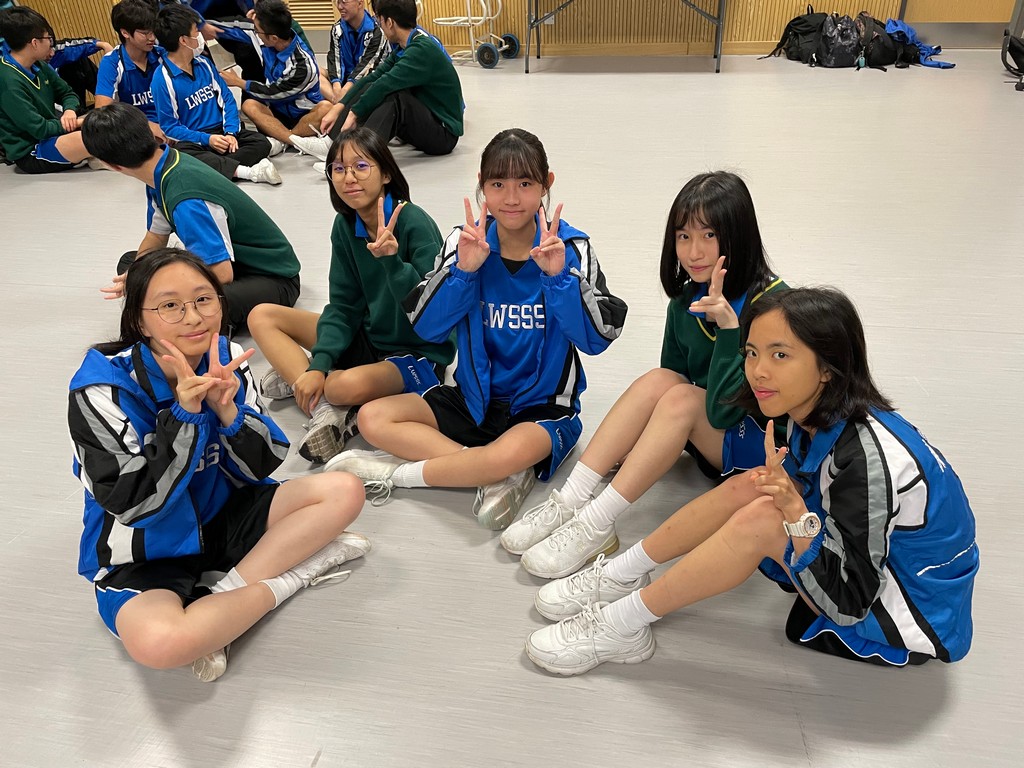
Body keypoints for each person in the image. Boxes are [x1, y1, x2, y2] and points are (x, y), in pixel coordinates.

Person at [525, 287, 979, 675]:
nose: (759, 370)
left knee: (764, 518)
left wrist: (795, 514)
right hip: (874, 565)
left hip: (911, 607)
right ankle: (622, 574)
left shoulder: (865, 462)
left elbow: (849, 600)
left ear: (828, 366)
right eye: (752, 353)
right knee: (756, 483)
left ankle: (621, 625)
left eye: (780, 355)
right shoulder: (820, 413)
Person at [69, 248, 371, 682]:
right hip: (145, 547)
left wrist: (228, 412)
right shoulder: (100, 390)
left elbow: (262, 466)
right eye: (170, 306)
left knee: (344, 488)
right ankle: (298, 573)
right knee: (160, 644)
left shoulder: (226, 359)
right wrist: (185, 416)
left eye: (203, 299)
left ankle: (221, 600)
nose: (193, 317)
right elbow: (134, 506)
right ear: (138, 320)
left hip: (223, 513)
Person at [326, 128, 627, 530]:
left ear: (546, 184)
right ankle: (489, 474)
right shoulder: (464, 242)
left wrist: (559, 279)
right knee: (373, 417)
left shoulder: (570, 248)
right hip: (472, 400)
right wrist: (464, 272)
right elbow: (429, 328)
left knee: (507, 453)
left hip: (543, 408)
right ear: (482, 185)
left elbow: (596, 339)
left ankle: (399, 474)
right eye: (498, 184)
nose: (511, 198)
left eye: (525, 184)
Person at [507, 172, 788, 579]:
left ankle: (596, 524)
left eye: (709, 236)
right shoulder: (687, 298)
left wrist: (730, 330)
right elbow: (672, 378)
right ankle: (569, 501)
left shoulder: (776, 307)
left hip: (765, 451)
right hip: (714, 437)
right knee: (662, 381)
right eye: (683, 236)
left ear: (738, 237)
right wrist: (638, 444)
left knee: (682, 399)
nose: (693, 252)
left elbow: (723, 412)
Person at [249, 126, 455, 464]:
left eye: (361, 166)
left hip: (417, 351)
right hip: (369, 337)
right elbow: (344, 306)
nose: (349, 178)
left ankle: (321, 391)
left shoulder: (413, 222)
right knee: (262, 316)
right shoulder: (345, 225)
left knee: (340, 387)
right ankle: (324, 403)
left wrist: (392, 262)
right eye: (338, 169)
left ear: (386, 173)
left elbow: (433, 308)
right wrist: (319, 364)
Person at [82, 102, 301, 334]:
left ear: (112, 166)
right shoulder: (163, 167)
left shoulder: (185, 198)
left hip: (273, 279)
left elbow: (222, 273)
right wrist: (137, 275)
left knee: (196, 304)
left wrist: (156, 286)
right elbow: (155, 237)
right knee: (132, 263)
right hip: (238, 264)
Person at [292, 0, 463, 161]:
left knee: (395, 97)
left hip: (443, 134)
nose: (379, 24)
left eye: (379, 20)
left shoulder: (421, 49)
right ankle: (332, 143)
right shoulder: (406, 45)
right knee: (373, 84)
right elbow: (374, 77)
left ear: (389, 22)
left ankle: (358, 157)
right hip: (426, 119)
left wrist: (354, 113)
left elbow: (385, 84)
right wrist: (339, 107)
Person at [150, 3, 279, 184]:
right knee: (185, 155)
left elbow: (227, 99)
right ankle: (247, 172)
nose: (200, 36)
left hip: (222, 131)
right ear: (184, 40)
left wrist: (230, 132)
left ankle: (220, 169)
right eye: (196, 32)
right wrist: (208, 140)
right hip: (195, 140)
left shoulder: (204, 63)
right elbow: (170, 127)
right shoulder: (162, 79)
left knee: (260, 142)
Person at [211, 1, 333, 154]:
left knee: (326, 108)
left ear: (273, 38)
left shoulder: (303, 65)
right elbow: (234, 28)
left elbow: (274, 92)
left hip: (304, 114)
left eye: (258, 30)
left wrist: (239, 82)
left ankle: (284, 140)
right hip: (277, 114)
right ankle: (295, 141)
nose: (255, 33)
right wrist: (202, 24)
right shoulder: (265, 37)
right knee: (249, 105)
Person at [0, 6, 96, 173]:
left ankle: (94, 155)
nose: (51, 44)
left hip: (55, 134)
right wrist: (79, 122)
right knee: (95, 136)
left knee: (107, 123)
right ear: (35, 43)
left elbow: (67, 93)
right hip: (32, 152)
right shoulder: (8, 80)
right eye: (48, 39)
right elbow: (40, 129)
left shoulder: (38, 64)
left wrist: (70, 111)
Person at [96, 0, 166, 142]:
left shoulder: (162, 54)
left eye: (153, 31)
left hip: (172, 124)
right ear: (125, 33)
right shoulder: (111, 62)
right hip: (136, 132)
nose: (152, 38)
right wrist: (147, 125)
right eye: (145, 33)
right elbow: (102, 111)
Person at [323, 0, 390, 104]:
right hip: (343, 80)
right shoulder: (337, 29)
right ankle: (339, 103)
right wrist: (336, 86)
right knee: (317, 72)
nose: (339, 7)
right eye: (338, 2)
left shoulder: (376, 32)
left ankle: (340, 104)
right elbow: (334, 59)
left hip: (362, 82)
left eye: (344, 2)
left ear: (360, 3)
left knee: (372, 86)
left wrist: (345, 89)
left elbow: (366, 66)